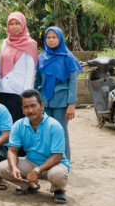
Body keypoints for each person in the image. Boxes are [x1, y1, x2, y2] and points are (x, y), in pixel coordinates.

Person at [0, 89, 70, 204]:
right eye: (26, 107)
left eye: (33, 106)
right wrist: (14, 168)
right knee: (1, 168)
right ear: (22, 110)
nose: (30, 110)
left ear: (42, 106)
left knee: (58, 174)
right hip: (31, 162)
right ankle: (30, 185)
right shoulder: (18, 125)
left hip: (53, 165)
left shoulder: (54, 126)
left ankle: (59, 190)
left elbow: (57, 157)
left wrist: (36, 171)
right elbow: (12, 150)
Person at [35, 26, 82, 162]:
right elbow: (37, 80)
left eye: (54, 37)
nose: (51, 40)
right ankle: (47, 160)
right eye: (48, 38)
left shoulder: (68, 57)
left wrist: (71, 104)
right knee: (45, 130)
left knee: (60, 131)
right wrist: (36, 100)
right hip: (44, 100)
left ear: (60, 38)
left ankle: (64, 161)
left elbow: (73, 82)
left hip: (61, 102)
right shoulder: (42, 57)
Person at [0, 12, 38, 122]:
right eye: (11, 24)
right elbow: (0, 65)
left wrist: (26, 95)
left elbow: (31, 71)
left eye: (17, 23)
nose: (14, 26)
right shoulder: (5, 43)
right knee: (5, 123)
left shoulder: (30, 44)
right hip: (4, 90)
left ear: (23, 25)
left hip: (19, 92)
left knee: (18, 123)